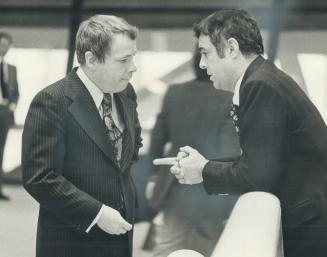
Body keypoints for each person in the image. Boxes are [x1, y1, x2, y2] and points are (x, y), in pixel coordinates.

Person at [160, 9, 327, 257]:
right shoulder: (263, 78)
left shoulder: (260, 85)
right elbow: (261, 160)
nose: (202, 63)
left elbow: (257, 175)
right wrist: (203, 166)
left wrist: (204, 171)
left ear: (231, 48)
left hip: (313, 223)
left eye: (205, 53)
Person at [22, 15, 142, 257]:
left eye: (133, 57)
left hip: (120, 234)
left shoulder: (125, 92)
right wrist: (96, 213)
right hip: (72, 238)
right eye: (123, 60)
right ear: (92, 59)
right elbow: (40, 177)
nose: (133, 67)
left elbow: (128, 150)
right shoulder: (52, 100)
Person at [146, 48, 240, 257]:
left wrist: (152, 179)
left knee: (167, 248)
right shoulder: (230, 98)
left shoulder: (174, 92)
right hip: (211, 191)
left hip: (175, 186)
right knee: (208, 250)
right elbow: (229, 151)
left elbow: (157, 141)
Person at [0, 31, 19, 200]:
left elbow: (16, 93)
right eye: (1, 44)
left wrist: (11, 106)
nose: (3, 48)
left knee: (1, 151)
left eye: (6, 45)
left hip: (4, 113)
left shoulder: (12, 69)